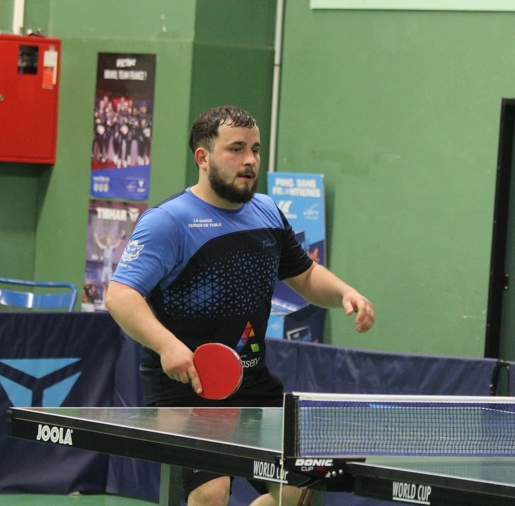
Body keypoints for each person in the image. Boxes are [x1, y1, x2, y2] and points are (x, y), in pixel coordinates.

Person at [105, 105, 375, 506]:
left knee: (300, 488)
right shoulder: (169, 221)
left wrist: (343, 294)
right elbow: (120, 295)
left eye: (255, 149)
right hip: (188, 385)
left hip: (252, 381)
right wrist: (167, 346)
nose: (250, 160)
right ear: (203, 157)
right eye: (236, 149)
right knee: (211, 493)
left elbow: (304, 276)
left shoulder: (266, 212)